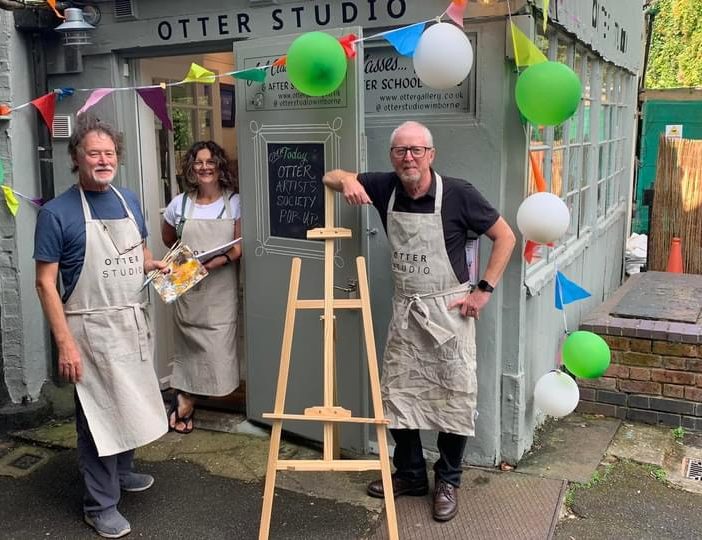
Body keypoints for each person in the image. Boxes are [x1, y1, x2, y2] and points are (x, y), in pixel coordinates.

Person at [323, 121, 516, 522]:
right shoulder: (384, 186)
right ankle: (410, 474)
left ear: (431, 154)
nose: (408, 158)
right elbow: (330, 175)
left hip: (450, 312)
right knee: (399, 395)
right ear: (392, 156)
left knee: (455, 396)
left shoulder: (459, 193)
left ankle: (448, 479)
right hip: (407, 310)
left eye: (416, 150)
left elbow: (506, 237)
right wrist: (348, 181)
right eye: (400, 151)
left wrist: (484, 289)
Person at [34, 115, 169, 538]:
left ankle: (123, 471)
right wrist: (65, 344)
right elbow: (45, 283)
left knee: (129, 401)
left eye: (109, 153)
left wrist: (155, 265)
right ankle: (100, 504)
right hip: (88, 331)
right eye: (93, 152)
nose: (103, 159)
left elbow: (139, 251)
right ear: (77, 157)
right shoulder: (57, 214)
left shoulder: (128, 200)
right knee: (99, 418)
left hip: (129, 320)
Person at [161, 141, 242, 434]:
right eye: (198, 162)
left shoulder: (234, 202)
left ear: (219, 166)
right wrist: (189, 266)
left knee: (217, 345)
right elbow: (169, 238)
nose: (205, 167)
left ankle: (191, 397)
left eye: (210, 162)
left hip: (220, 287)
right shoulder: (178, 204)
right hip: (187, 288)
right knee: (189, 349)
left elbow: (237, 248)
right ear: (191, 168)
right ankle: (184, 395)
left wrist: (208, 265)